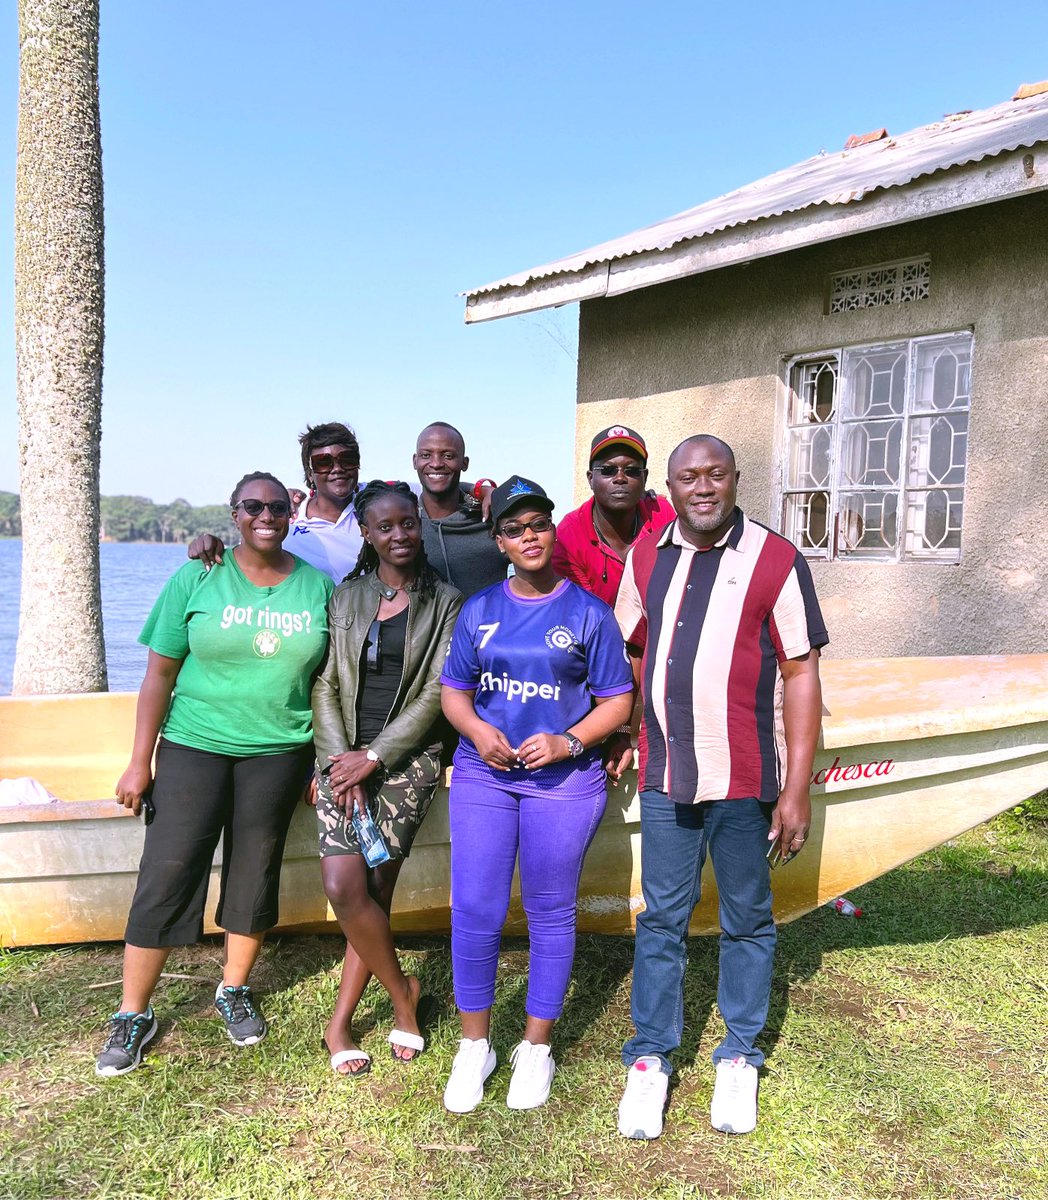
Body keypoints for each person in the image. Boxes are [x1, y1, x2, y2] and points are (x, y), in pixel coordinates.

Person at [610, 435, 828, 1140]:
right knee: (661, 918)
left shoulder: (775, 558)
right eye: (686, 477)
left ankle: (738, 1056)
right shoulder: (646, 555)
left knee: (747, 919)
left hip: (744, 780)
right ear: (668, 487)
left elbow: (801, 672)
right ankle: (650, 1059)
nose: (701, 487)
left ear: (735, 479)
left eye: (715, 474)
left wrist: (796, 789)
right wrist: (624, 730)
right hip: (668, 774)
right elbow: (635, 650)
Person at [95, 473, 334, 1077]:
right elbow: (158, 676)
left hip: (278, 751)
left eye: (277, 507)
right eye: (253, 506)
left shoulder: (317, 588)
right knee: (168, 871)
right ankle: (133, 1012)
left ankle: (232, 989)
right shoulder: (196, 576)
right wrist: (138, 759)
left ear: (292, 512)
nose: (266, 515)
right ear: (234, 514)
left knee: (255, 871)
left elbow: (331, 684)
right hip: (193, 747)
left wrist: (324, 758)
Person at [439, 475, 633, 1113]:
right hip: (485, 775)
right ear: (499, 540)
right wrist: (476, 729)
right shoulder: (481, 609)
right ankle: (476, 1048)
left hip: (563, 783)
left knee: (551, 910)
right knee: (475, 907)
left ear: (553, 531)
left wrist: (569, 743)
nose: (530, 536)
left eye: (539, 525)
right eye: (516, 529)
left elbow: (618, 700)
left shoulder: (586, 612)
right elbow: (454, 692)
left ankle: (535, 1048)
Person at [310, 481, 463, 1075]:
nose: (399, 535)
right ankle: (403, 992)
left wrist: (374, 757)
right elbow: (324, 682)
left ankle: (339, 1023)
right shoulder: (346, 598)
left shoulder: (445, 600)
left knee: (375, 892)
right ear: (367, 534)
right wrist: (337, 759)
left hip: (407, 758)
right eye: (385, 526)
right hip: (339, 755)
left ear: (418, 526)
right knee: (344, 887)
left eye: (408, 523)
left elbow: (436, 692)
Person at [189, 422, 363, 583]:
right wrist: (210, 548)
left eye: (348, 459)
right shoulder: (287, 519)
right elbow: (250, 558)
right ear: (310, 473)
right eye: (323, 463)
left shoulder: (378, 504)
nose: (337, 469)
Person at [551, 425, 675, 606]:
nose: (620, 478)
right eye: (608, 470)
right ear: (590, 478)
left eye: (632, 471)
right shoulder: (570, 535)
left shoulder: (661, 514)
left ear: (644, 478)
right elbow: (585, 614)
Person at [411, 421, 506, 598]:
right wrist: (479, 489)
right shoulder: (406, 525)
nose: (436, 463)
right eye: (426, 455)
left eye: (448, 456)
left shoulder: (491, 517)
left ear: (464, 463)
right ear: (415, 461)